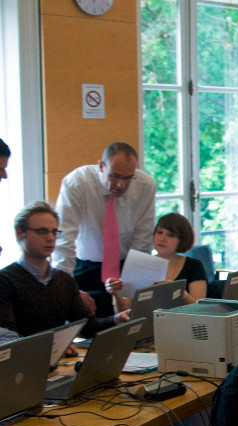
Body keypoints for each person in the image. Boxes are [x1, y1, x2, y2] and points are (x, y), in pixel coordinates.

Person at [53, 142, 157, 316]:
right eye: (115, 176)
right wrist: (67, 290)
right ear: (101, 166)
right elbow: (64, 240)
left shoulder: (145, 186)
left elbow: (142, 242)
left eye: (128, 178)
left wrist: (134, 292)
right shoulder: (77, 183)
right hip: (85, 267)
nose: (121, 184)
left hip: (126, 267)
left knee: (128, 322)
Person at [0, 201, 122, 343]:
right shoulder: (5, 280)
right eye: (42, 231)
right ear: (20, 234)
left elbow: (87, 326)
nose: (50, 238)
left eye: (54, 232)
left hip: (58, 355)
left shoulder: (63, 279)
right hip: (26, 356)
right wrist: (50, 346)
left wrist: (118, 319)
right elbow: (7, 339)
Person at [105, 213, 208, 311]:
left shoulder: (194, 265)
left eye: (171, 235)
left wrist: (180, 293)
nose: (162, 239)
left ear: (182, 240)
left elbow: (199, 310)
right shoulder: (139, 264)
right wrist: (116, 295)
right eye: (159, 232)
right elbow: (123, 313)